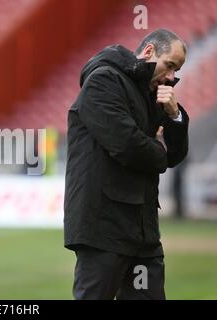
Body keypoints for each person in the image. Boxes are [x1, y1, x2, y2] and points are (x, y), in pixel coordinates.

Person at [64, 29, 189, 300]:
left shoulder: (153, 92)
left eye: (176, 71)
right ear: (148, 52)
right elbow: (128, 146)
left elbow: (174, 157)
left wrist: (175, 115)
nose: (170, 77)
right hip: (103, 226)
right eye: (169, 65)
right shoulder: (103, 81)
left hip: (143, 228)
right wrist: (158, 148)